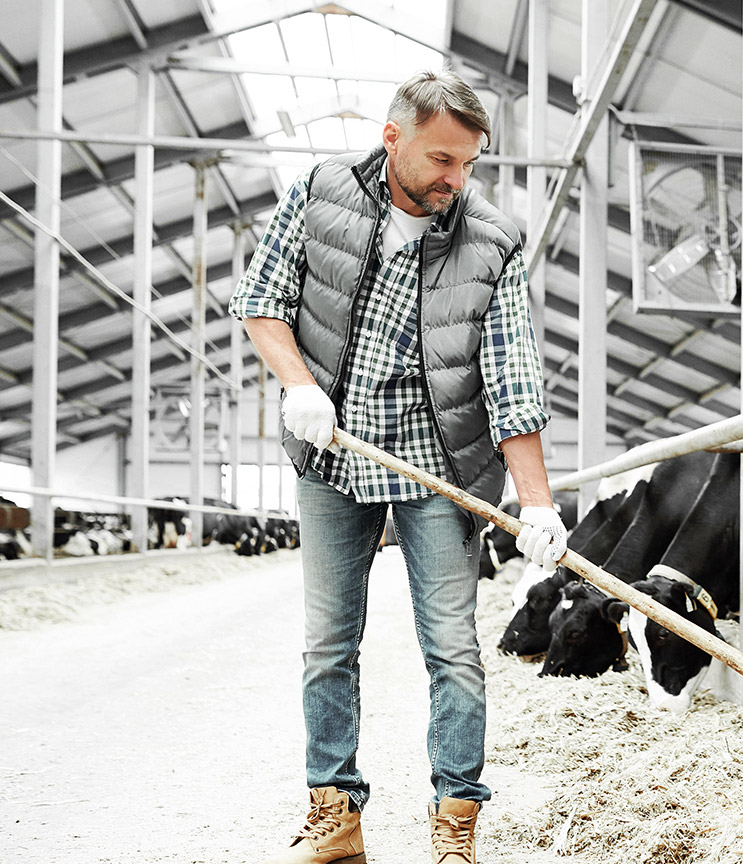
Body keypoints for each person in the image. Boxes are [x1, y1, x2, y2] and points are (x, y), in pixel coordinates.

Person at [231, 68, 569, 864]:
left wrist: (538, 504)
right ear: (394, 138)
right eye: (444, 160)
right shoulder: (319, 193)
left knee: (452, 646)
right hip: (334, 451)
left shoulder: (494, 241)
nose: (458, 179)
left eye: (470, 165)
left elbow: (511, 373)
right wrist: (301, 388)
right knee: (327, 642)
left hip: (442, 465)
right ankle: (334, 810)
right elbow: (262, 299)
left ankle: (456, 822)